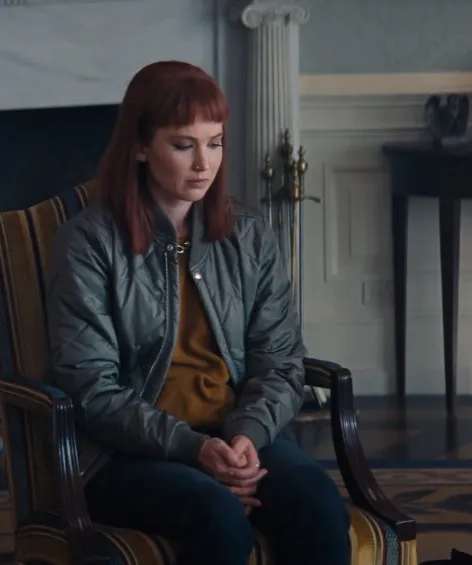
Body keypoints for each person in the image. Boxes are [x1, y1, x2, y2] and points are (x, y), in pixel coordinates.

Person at [45, 60, 350, 565]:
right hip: (124, 454)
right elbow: (91, 386)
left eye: (215, 142)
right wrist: (194, 450)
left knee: (316, 503)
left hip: (234, 435)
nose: (204, 163)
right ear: (140, 147)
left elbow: (280, 360)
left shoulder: (249, 234)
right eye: (184, 145)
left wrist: (247, 436)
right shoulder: (88, 243)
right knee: (217, 515)